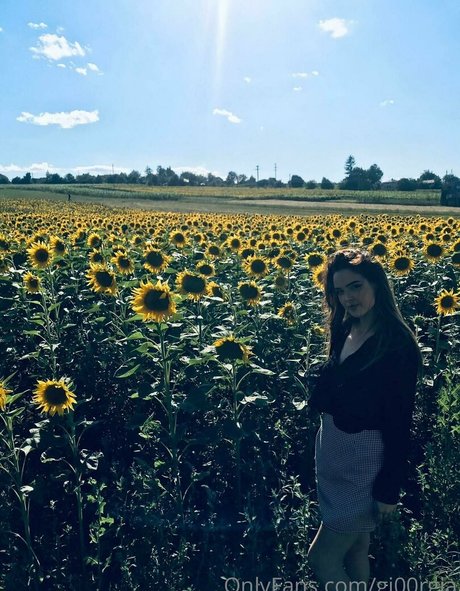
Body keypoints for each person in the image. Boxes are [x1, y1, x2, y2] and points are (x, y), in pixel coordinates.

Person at [306, 248, 422, 589]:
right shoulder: (345, 328)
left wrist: (388, 488)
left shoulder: (396, 345)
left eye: (355, 286)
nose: (348, 298)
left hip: (362, 465)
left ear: (377, 285)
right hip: (334, 457)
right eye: (339, 291)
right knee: (356, 548)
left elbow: (400, 423)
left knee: (322, 559)